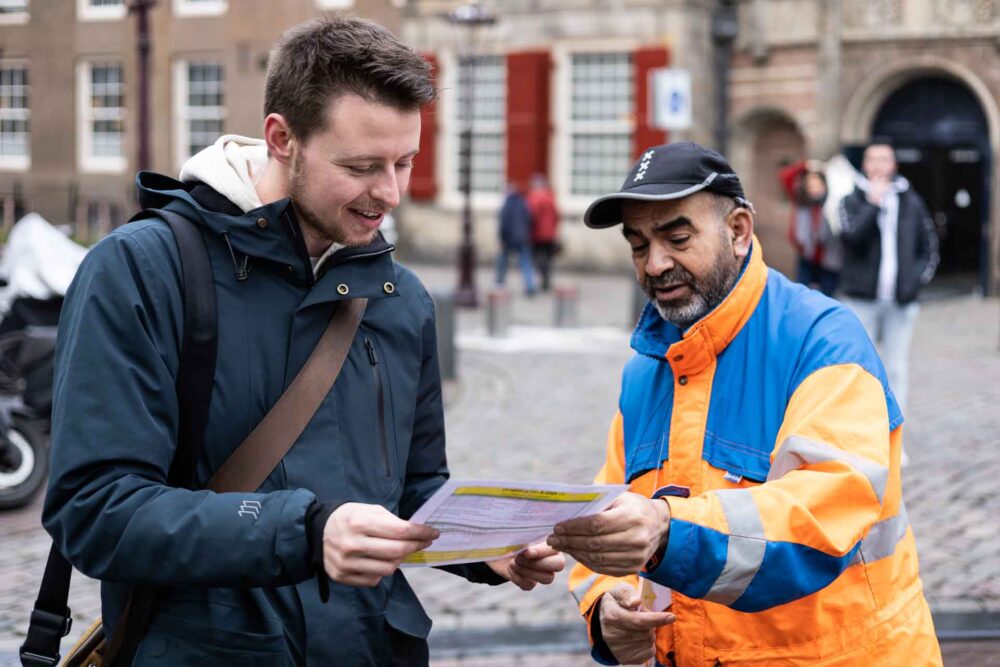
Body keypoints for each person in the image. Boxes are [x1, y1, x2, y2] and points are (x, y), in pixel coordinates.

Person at [43, 16, 563, 666]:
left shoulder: (403, 298)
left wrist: (481, 545)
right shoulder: (141, 270)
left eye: (404, 162)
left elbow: (411, 487)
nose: (391, 193)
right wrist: (307, 532)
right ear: (281, 138)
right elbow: (96, 510)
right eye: (362, 166)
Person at [546, 142, 941, 666]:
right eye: (638, 244)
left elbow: (825, 512)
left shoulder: (822, 340)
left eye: (677, 237)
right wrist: (605, 607)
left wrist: (668, 531)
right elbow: (611, 507)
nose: (655, 263)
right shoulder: (646, 368)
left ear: (738, 231)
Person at [839, 140, 938, 413]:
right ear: (865, 165)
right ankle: (860, 433)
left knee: (895, 368)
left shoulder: (911, 201)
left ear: (893, 165)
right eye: (874, 160)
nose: (879, 166)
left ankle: (894, 437)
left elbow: (928, 244)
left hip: (901, 300)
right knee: (861, 367)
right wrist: (873, 204)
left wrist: (916, 280)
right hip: (862, 300)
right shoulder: (851, 200)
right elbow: (851, 240)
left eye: (885, 160)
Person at [779, 159, 841, 296]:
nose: (814, 188)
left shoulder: (832, 202)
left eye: (817, 184)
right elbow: (786, 176)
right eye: (811, 185)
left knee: (828, 297)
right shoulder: (801, 201)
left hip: (830, 259)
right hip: (806, 257)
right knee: (803, 296)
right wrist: (807, 164)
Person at [495, 182, 537, 295]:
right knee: (525, 262)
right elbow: (530, 219)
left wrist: (502, 238)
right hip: (523, 237)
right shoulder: (523, 203)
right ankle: (530, 285)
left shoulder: (507, 204)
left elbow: (503, 223)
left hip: (509, 237)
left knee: (502, 260)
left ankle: (500, 283)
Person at [527, 173, 560, 291]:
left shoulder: (533, 198)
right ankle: (546, 279)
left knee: (537, 257)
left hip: (538, 234)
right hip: (550, 234)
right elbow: (556, 216)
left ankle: (542, 278)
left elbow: (532, 216)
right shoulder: (550, 197)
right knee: (548, 258)